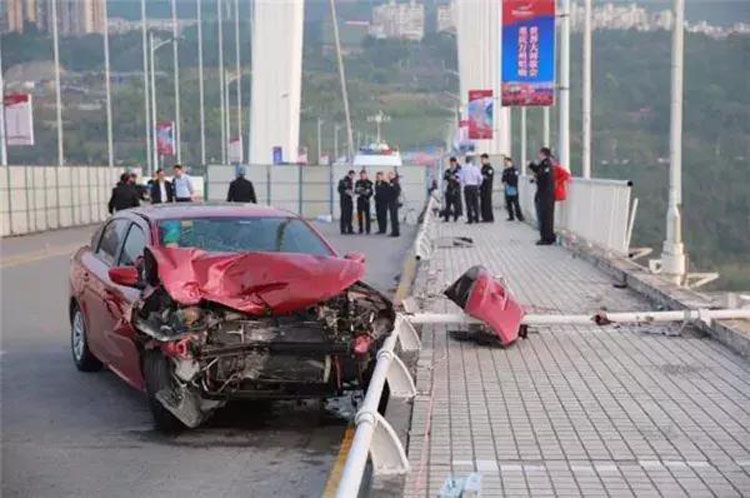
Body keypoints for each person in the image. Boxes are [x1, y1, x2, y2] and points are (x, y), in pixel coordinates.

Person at [529, 147, 556, 245]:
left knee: (545, 217)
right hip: (544, 194)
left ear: (543, 154)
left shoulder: (547, 164)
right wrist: (531, 165)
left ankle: (546, 238)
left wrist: (536, 178)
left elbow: (543, 176)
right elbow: (539, 172)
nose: (538, 156)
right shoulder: (544, 164)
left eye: (539, 154)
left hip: (545, 195)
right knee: (545, 216)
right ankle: (547, 236)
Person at [501, 156, 524, 221]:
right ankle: (511, 216)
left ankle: (520, 216)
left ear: (510, 162)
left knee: (516, 203)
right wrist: (504, 182)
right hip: (507, 188)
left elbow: (515, 179)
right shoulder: (505, 170)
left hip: (513, 188)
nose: (505, 163)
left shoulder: (515, 170)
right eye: (504, 162)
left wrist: (508, 181)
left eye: (506, 162)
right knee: (508, 203)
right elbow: (503, 179)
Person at [461, 155, 482, 224]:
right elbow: (480, 178)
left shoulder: (463, 169)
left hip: (467, 187)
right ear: (471, 161)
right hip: (475, 187)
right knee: (476, 203)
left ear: (466, 161)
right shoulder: (476, 168)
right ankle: (477, 219)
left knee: (468, 203)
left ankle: (470, 219)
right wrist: (478, 185)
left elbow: (461, 179)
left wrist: (464, 184)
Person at [354, 169, 374, 234]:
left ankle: (368, 229)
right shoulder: (358, 182)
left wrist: (366, 193)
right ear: (360, 175)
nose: (362, 176)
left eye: (364, 175)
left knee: (367, 215)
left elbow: (371, 192)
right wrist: (363, 191)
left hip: (366, 200)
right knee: (360, 215)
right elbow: (356, 191)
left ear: (366, 175)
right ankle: (360, 229)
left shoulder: (369, 182)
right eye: (361, 175)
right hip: (360, 200)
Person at [443, 157, 462, 222]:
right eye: (451, 163)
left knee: (456, 205)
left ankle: (455, 218)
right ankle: (446, 218)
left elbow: (460, 180)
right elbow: (445, 180)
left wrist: (455, 178)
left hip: (456, 189)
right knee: (448, 205)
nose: (452, 164)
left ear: (456, 163)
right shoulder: (447, 171)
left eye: (453, 163)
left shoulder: (458, 171)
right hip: (449, 189)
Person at [338, 170, 355, 234]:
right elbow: (340, 189)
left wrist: (352, 193)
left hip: (349, 200)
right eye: (352, 175)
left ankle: (350, 229)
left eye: (353, 175)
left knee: (350, 215)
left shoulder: (351, 181)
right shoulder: (343, 180)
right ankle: (343, 230)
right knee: (344, 215)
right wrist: (346, 191)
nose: (353, 177)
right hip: (344, 200)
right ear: (349, 174)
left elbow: (350, 190)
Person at [479, 153, 495, 222]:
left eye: (483, 159)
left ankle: (489, 218)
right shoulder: (483, 168)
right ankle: (484, 217)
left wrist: (482, 177)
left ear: (487, 159)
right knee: (482, 203)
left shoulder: (490, 168)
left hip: (487, 188)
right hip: (482, 188)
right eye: (481, 159)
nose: (482, 161)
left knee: (487, 203)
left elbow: (488, 177)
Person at [386, 171, 401, 237]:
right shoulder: (392, 182)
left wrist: (393, 198)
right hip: (392, 202)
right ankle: (394, 231)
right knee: (393, 218)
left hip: (393, 202)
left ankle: (395, 232)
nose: (389, 176)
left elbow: (396, 192)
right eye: (388, 175)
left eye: (390, 175)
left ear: (393, 175)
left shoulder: (394, 182)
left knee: (394, 218)